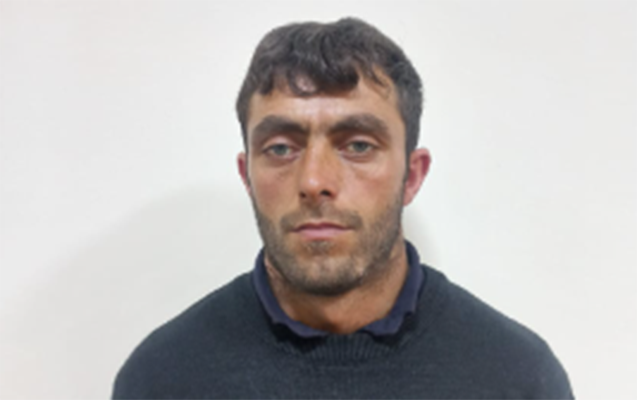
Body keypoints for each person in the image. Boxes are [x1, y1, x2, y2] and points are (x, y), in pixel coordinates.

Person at [112, 17, 573, 399]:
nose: (314, 182)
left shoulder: (518, 378)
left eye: (358, 145)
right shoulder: (162, 379)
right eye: (280, 148)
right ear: (247, 176)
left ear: (412, 176)